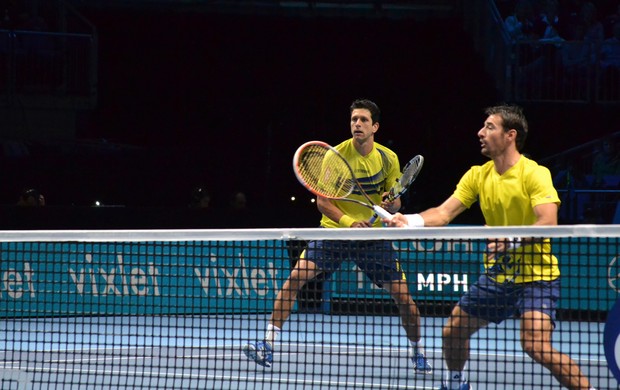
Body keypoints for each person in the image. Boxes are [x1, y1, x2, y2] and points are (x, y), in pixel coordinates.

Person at [383, 104, 594, 390]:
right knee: (452, 332)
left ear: (510, 135)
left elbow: (548, 220)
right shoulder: (477, 175)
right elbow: (444, 213)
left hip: (537, 277)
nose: (480, 132)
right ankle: (456, 384)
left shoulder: (534, 173)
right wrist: (407, 220)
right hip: (498, 277)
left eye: (489, 127)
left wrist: (510, 240)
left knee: (535, 345)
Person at [242, 99, 433, 374]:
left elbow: (394, 202)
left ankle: (418, 352)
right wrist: (348, 223)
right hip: (334, 233)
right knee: (296, 277)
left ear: (375, 126)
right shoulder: (336, 156)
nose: (357, 124)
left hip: (374, 240)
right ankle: (267, 345)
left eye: (363, 120)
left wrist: (391, 205)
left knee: (404, 298)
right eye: (354, 119)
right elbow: (323, 202)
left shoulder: (388, 158)